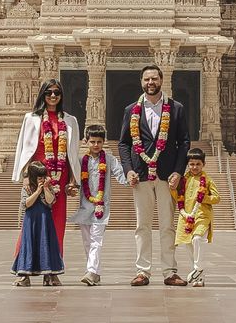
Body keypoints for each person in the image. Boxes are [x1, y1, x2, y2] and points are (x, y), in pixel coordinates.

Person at [117, 64, 191, 287]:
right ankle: (143, 271)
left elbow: (184, 142)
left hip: (167, 174)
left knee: (167, 225)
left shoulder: (175, 108)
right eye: (147, 79)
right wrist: (128, 169)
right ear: (142, 82)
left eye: (154, 79)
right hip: (140, 174)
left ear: (161, 80)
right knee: (142, 225)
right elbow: (124, 143)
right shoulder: (131, 110)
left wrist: (179, 171)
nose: (151, 83)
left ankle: (169, 271)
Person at [12, 78, 80, 255]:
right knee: (32, 220)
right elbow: (26, 148)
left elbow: (72, 153)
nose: (52, 96)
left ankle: (53, 268)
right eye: (49, 92)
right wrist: (26, 175)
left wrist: (73, 181)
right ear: (42, 94)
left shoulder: (70, 121)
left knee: (57, 222)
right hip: (38, 175)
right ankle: (24, 267)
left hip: (60, 176)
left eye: (57, 92)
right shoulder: (32, 118)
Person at [68, 124, 127, 286]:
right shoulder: (81, 161)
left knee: (96, 240)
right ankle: (94, 272)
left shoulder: (109, 159)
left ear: (103, 142)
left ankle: (92, 271)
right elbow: (74, 181)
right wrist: (70, 187)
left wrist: (132, 178)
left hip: (102, 206)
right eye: (92, 141)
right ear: (86, 141)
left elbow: (121, 174)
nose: (96, 145)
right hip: (85, 207)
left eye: (99, 142)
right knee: (87, 241)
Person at [171, 147, 220, 287]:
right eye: (192, 164)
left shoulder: (208, 180)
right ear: (188, 164)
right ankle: (199, 278)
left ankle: (198, 268)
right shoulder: (184, 179)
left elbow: (217, 198)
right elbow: (177, 196)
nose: (195, 167)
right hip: (186, 216)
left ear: (203, 164)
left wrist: (204, 198)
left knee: (198, 239)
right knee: (189, 246)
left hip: (202, 216)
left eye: (198, 164)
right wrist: (172, 188)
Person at [11, 161, 64, 286]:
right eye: (39, 177)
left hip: (45, 220)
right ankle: (25, 275)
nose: (42, 179)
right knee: (29, 244)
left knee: (47, 243)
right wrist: (37, 191)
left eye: (43, 176)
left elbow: (51, 201)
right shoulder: (27, 188)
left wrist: (45, 188)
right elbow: (27, 203)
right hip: (31, 221)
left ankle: (49, 274)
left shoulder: (48, 186)